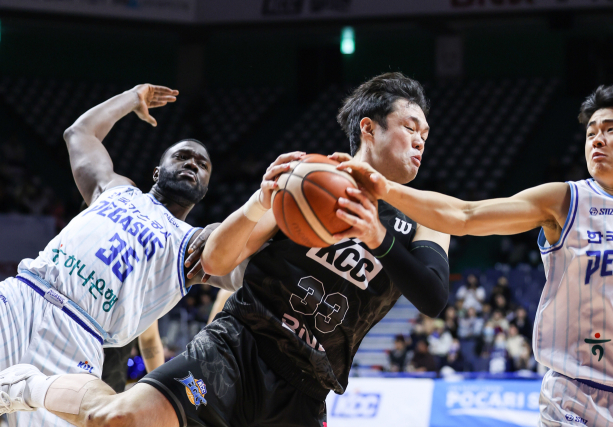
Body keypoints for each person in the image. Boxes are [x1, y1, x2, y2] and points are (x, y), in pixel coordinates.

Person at [1, 72, 451, 427]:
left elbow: (432, 297)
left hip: (308, 385)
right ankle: (27, 386)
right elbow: (218, 259)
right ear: (368, 128)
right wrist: (262, 198)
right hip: (237, 347)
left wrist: (377, 233)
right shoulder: (302, 181)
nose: (420, 141)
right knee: (120, 418)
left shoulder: (429, 216)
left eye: (427, 135)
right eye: (411, 127)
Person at [337, 84, 613, 425]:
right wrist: (385, 187)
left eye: (611, 129)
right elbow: (465, 215)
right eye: (590, 133)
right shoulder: (567, 200)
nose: (596, 139)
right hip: (577, 399)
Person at [0, 84, 245, 426]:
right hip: (25, 294)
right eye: (182, 156)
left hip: (79, 336)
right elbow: (79, 133)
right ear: (157, 173)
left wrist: (266, 208)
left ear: (203, 189)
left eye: (202, 164)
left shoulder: (194, 244)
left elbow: (246, 269)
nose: (192, 162)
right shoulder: (115, 188)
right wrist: (131, 98)